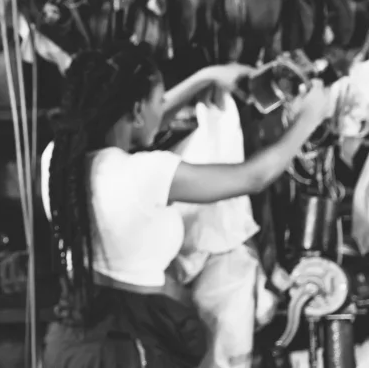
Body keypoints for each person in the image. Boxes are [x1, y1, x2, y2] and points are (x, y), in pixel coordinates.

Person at [39, 45, 333, 368]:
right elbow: (254, 177)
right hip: (125, 346)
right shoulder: (144, 174)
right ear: (136, 111)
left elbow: (138, 122)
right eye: (160, 100)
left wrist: (206, 78)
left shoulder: (57, 159)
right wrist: (308, 118)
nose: (165, 108)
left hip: (73, 335)